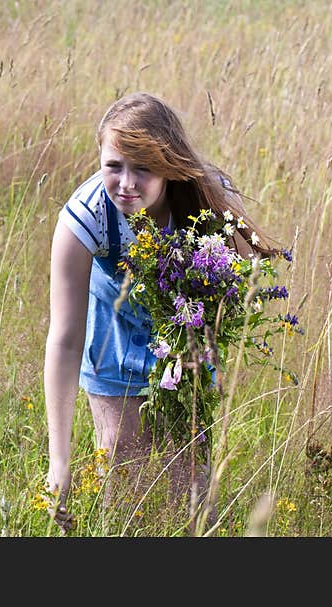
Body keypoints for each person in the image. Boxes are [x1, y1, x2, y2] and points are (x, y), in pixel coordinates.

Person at [43, 92, 271, 533]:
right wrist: (59, 461)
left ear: (168, 165)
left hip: (184, 350)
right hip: (113, 348)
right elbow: (65, 338)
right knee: (124, 480)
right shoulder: (86, 217)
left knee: (192, 492)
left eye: (143, 167)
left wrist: (204, 326)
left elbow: (245, 277)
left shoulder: (208, 196)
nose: (126, 182)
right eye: (114, 166)